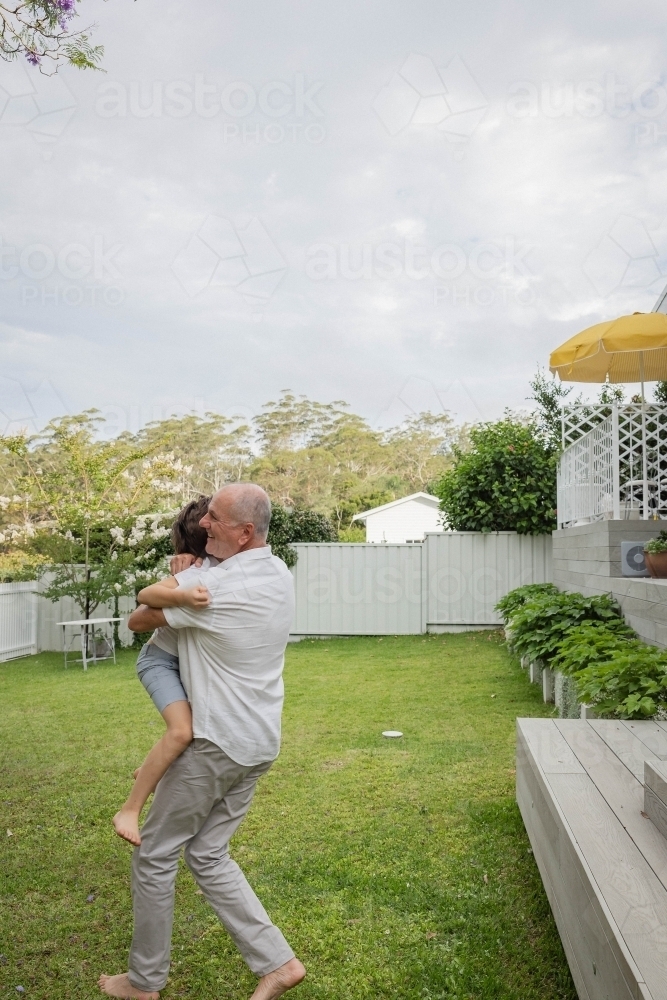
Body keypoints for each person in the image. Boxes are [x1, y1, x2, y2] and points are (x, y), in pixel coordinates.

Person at [99, 483, 306, 1000]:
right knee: (209, 853)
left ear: (243, 532)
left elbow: (139, 620)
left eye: (213, 518)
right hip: (259, 743)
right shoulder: (275, 572)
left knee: (156, 855)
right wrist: (192, 572)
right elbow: (198, 586)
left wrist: (179, 578)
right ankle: (278, 963)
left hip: (216, 743)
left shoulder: (218, 590)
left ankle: (144, 983)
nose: (203, 523)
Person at [112, 497, 214, 847]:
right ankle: (129, 809)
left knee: (199, 733)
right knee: (182, 731)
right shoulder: (193, 572)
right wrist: (183, 593)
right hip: (160, 660)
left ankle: (152, 771)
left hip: (187, 664)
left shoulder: (224, 569)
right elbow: (139, 611)